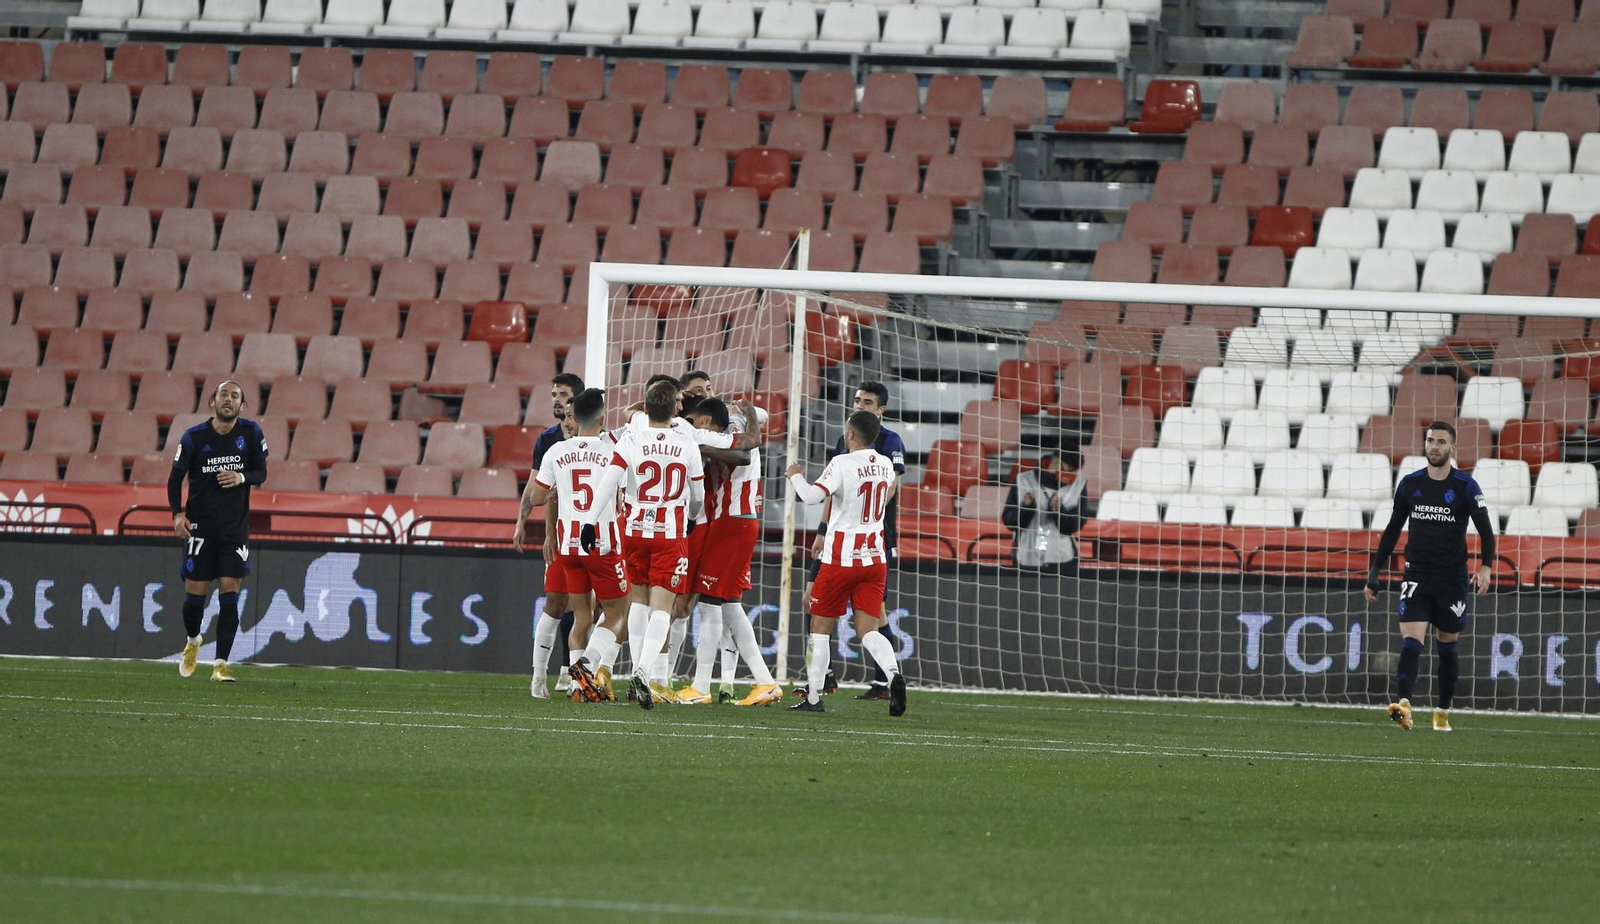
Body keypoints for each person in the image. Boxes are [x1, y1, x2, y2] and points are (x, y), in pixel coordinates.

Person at [1365, 421, 1495, 733]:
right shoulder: (1410, 484)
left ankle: (1442, 712)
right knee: (1411, 639)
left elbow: (1487, 532)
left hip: (1452, 578)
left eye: (1440, 442)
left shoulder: (1466, 487)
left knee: (1447, 642)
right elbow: (1393, 529)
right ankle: (1404, 706)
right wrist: (1375, 572)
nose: (1434, 446)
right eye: (1430, 440)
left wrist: (1486, 567)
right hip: (1417, 573)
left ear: (1452, 447)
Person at [583, 379, 706, 708]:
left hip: (634, 530)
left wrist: (589, 522)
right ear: (674, 410)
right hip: (669, 533)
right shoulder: (687, 444)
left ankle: (637, 671)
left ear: (646, 408)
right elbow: (698, 495)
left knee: (637, 603)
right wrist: (692, 517)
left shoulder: (631, 440)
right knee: (662, 608)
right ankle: (644, 671)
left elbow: (608, 483)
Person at [786, 410, 906, 716]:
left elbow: (811, 497)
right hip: (875, 558)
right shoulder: (885, 464)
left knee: (819, 629)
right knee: (869, 630)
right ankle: (893, 674)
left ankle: (814, 698)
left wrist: (795, 475)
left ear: (850, 435)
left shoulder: (841, 463)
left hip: (840, 559)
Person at [516, 388, 632, 704]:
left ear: (575, 417)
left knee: (581, 616)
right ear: (602, 417)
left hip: (569, 545)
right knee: (617, 613)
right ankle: (586, 665)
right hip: (602, 543)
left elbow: (536, 497)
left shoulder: (556, 451)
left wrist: (558, 490)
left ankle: (577, 686)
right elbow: (623, 495)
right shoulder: (614, 451)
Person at [675, 396, 784, 707]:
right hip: (736, 521)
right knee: (730, 606)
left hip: (732, 521)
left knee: (709, 605)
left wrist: (705, 448)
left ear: (706, 420)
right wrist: (743, 410)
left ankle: (700, 686)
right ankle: (765, 682)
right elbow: (761, 415)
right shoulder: (734, 428)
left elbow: (745, 455)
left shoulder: (728, 438)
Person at [169, 380, 268, 683]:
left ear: (242, 405)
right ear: (212, 402)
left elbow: (261, 473)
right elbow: (175, 480)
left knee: (230, 591)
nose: (228, 399)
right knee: (194, 597)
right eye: (223, 394)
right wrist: (177, 515)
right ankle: (193, 640)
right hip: (200, 527)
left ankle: (221, 664)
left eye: (235, 396)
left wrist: (241, 477)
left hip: (234, 530)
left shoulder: (251, 433)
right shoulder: (194, 437)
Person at [533, 373, 584, 693]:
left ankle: (570, 674)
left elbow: (541, 495)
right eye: (564, 416)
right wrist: (549, 535)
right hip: (576, 540)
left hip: (584, 539)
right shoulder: (552, 446)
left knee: (585, 608)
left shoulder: (560, 451)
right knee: (560, 604)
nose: (566, 420)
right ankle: (544, 676)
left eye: (571, 415)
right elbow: (545, 497)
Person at [1003, 448, 1086, 570]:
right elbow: (1009, 521)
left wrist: (1059, 511)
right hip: (1027, 557)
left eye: (1072, 470)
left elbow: (1074, 525)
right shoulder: (1023, 480)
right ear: (1055, 462)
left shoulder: (1078, 485)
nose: (1067, 474)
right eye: (1065, 468)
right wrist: (1027, 508)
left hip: (1062, 557)